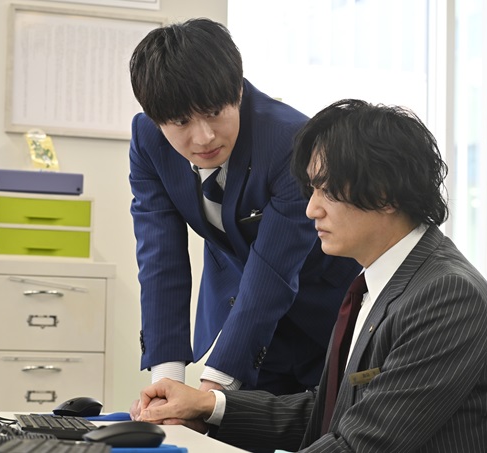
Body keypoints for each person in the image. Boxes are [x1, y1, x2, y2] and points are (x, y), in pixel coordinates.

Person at [132, 99, 487, 452]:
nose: (311, 209)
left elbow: (357, 445)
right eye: (311, 190)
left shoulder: (446, 295)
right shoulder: (383, 284)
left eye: (326, 191)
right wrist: (207, 406)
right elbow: (331, 415)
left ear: (385, 194)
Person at [128, 18, 361, 397]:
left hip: (325, 314)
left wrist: (212, 389)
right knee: (229, 424)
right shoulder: (148, 142)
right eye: (181, 122)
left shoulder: (290, 140)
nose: (204, 137)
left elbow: (273, 268)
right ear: (156, 120)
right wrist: (166, 377)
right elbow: (159, 257)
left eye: (213, 113)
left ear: (237, 90)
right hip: (243, 317)